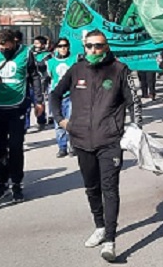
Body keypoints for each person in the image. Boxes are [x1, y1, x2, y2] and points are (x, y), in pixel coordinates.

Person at [49, 30, 134, 263]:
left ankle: (110, 240)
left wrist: (134, 129)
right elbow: (55, 95)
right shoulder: (77, 69)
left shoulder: (119, 69)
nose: (94, 50)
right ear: (84, 47)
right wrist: (61, 120)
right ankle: (100, 226)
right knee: (91, 188)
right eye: (89, 46)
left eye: (98, 45)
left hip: (109, 141)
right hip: (81, 140)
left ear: (106, 47)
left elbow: (133, 102)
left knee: (110, 189)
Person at [0, 29, 37, 203]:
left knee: (16, 147)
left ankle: (16, 184)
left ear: (15, 42)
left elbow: (34, 76)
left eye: (7, 47)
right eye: (1, 47)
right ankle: (2, 182)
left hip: (17, 107)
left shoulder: (26, 53)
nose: (4, 50)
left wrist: (39, 101)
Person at [46, 37, 76, 157]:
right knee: (58, 123)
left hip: (71, 95)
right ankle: (62, 147)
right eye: (60, 46)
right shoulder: (51, 62)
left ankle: (73, 146)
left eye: (65, 46)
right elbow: (48, 78)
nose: (63, 48)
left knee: (72, 121)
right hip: (56, 96)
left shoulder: (74, 60)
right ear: (56, 48)